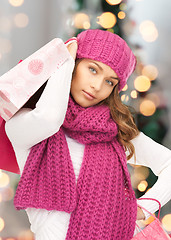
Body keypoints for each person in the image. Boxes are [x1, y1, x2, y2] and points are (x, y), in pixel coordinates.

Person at [5, 29, 171, 240]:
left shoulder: (115, 133)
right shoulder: (24, 123)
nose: (97, 86)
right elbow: (49, 118)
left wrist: (143, 208)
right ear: (73, 64)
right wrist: (63, 58)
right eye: (93, 69)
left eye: (110, 82)